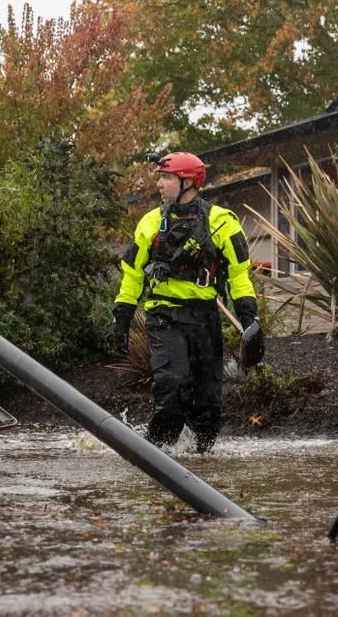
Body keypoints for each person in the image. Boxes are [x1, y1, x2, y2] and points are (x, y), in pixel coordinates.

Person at [112, 152, 260, 453]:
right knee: (173, 387)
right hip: (164, 316)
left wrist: (249, 320)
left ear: (189, 181)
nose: (159, 184)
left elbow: (239, 276)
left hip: (205, 319)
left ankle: (199, 463)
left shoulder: (222, 222)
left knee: (207, 407)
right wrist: (122, 318)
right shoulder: (150, 223)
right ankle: (154, 456)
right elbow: (131, 275)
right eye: (160, 177)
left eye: (167, 177)